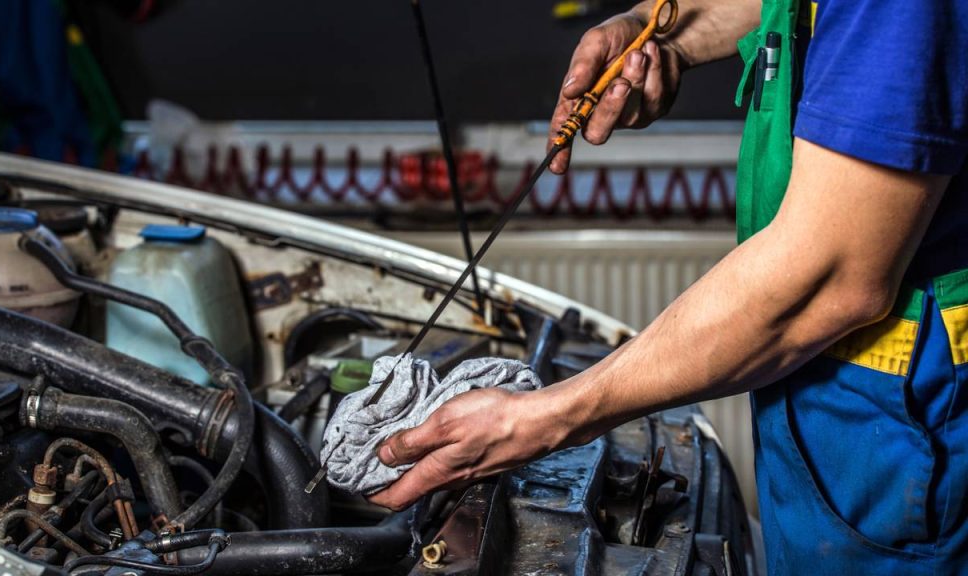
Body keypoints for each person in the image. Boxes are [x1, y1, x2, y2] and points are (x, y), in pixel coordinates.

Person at [369, 0, 968, 572]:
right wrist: (665, 34)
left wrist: (542, 419)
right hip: (831, 394)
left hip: (910, 423)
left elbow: (830, 276)